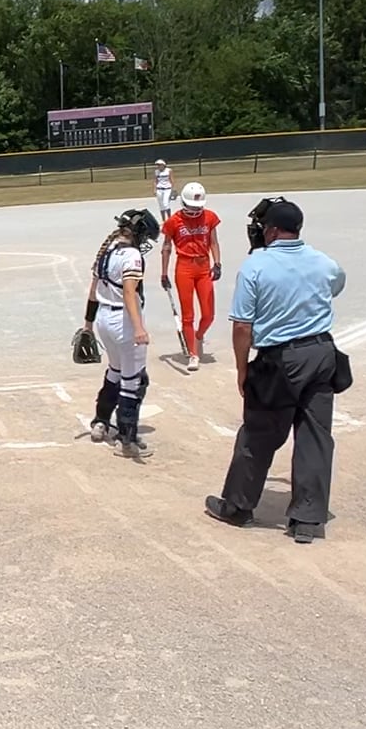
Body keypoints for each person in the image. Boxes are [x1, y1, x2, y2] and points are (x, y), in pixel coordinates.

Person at [204, 200, 349, 544]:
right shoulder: (324, 261)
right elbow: (335, 286)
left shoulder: (255, 266)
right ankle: (308, 519)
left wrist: (242, 369)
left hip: (280, 360)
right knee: (315, 435)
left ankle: (238, 506)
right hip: (321, 354)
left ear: (270, 230)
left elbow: (242, 326)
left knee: (259, 432)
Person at [81, 208, 161, 460]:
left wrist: (88, 325)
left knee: (114, 371)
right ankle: (127, 439)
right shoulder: (132, 256)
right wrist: (138, 328)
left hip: (103, 319)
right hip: (123, 321)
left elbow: (93, 292)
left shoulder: (106, 250)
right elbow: (129, 292)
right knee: (133, 381)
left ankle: (101, 422)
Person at [159, 182, 222, 372]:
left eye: (198, 207)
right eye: (192, 207)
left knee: (209, 314)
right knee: (188, 315)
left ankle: (198, 335)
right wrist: (164, 272)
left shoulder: (209, 217)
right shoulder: (173, 221)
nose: (195, 211)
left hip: (204, 266)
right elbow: (166, 247)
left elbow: (213, 242)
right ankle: (193, 354)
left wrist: (217, 263)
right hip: (184, 267)